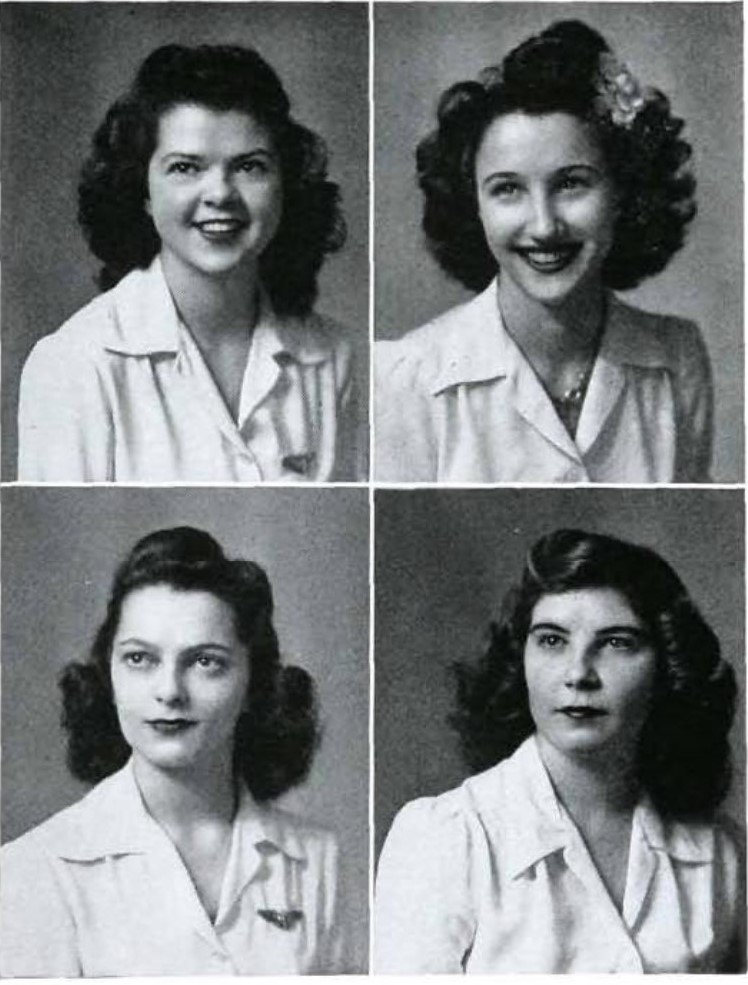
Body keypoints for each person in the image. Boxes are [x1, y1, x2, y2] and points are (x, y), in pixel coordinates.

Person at [375, 529, 743, 973]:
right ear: (521, 658)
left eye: (616, 643)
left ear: (667, 666)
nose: (578, 673)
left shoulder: (720, 852)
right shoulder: (446, 838)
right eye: (552, 640)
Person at [375, 20, 711, 482]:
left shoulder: (677, 357)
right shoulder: (404, 376)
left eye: (571, 183)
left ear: (623, 193)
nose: (544, 225)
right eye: (508, 189)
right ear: (472, 204)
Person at [0, 527, 345, 976]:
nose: (169, 691)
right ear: (109, 674)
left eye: (205, 662)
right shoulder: (33, 868)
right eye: (140, 659)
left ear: (255, 682)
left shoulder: (318, 859)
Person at [18, 44, 360, 481]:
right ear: (140, 189)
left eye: (250, 166)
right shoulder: (74, 364)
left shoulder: (335, 356)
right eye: (185, 168)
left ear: (286, 185)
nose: (220, 193)